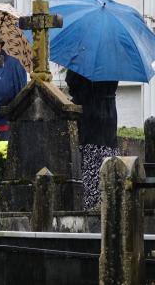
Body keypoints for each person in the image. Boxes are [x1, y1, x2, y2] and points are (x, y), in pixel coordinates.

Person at [65, 69, 119, 210]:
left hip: (89, 119)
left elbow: (72, 83)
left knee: (89, 170)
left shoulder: (83, 61)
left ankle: (90, 208)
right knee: (107, 167)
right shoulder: (111, 62)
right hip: (109, 118)